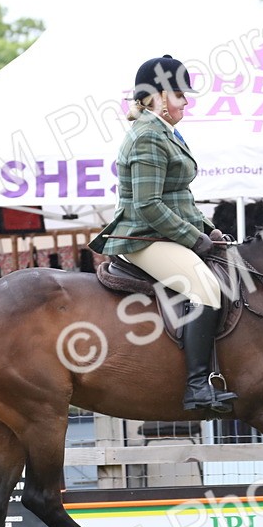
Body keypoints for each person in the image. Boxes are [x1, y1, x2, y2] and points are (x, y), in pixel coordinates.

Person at [89, 55, 236, 413]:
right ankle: (197, 387)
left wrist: (208, 229)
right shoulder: (147, 138)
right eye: (180, 94)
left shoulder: (165, 133)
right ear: (156, 96)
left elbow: (178, 197)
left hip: (163, 233)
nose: (186, 101)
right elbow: (148, 206)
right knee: (205, 286)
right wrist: (193, 239)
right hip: (141, 237)